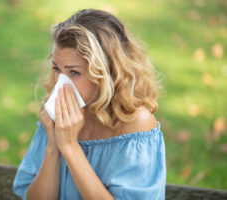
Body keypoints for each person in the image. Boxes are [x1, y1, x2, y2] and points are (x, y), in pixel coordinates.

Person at [13, 8, 166, 200]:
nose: (61, 84)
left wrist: (69, 146)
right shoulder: (57, 114)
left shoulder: (136, 124)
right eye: (57, 69)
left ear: (107, 73)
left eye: (74, 72)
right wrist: (53, 146)